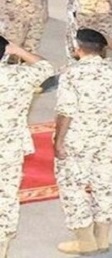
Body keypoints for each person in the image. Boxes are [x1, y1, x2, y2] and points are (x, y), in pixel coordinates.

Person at [53, 29, 112, 255]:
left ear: (78, 48)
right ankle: (102, 239)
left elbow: (66, 111)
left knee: (73, 187)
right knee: (105, 185)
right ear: (103, 49)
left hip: (78, 138)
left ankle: (85, 241)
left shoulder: (71, 73)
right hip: (107, 138)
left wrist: (58, 141)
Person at [0, 37, 54, 258]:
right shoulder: (20, 76)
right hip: (10, 146)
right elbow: (46, 67)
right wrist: (18, 50)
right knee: (6, 197)